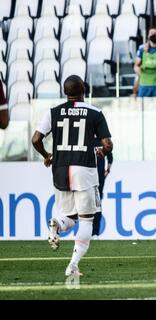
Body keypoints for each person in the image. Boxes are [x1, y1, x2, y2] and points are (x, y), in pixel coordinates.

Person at [31, 75, 113, 277]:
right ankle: (73, 265)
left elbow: (35, 139)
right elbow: (108, 144)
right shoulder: (95, 112)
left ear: (65, 92)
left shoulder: (53, 112)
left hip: (60, 169)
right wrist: (102, 151)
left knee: (69, 216)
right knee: (86, 220)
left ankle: (56, 224)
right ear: (83, 90)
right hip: (84, 169)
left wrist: (46, 155)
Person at [134, 27, 156, 97]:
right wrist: (142, 76)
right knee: (143, 106)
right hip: (144, 84)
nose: (153, 35)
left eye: (155, 33)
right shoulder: (142, 49)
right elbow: (136, 66)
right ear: (148, 35)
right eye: (151, 33)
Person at [92, 137, 113, 238]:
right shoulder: (87, 138)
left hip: (99, 178)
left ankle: (95, 232)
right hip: (87, 177)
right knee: (86, 204)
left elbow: (110, 156)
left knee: (97, 204)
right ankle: (87, 231)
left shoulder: (103, 140)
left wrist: (107, 170)